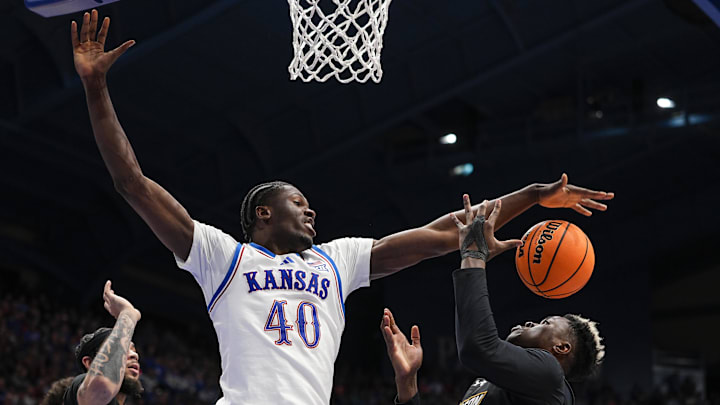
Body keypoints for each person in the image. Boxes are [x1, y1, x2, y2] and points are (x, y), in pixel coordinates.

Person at [70, 10, 613, 404]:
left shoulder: (336, 260)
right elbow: (133, 184)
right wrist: (96, 87)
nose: (311, 213)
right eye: (298, 203)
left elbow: (449, 231)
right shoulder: (222, 257)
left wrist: (533, 197)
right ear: (263, 213)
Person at [381, 196, 605, 404]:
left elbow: (477, 347)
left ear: (561, 347)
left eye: (544, 323)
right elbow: (479, 349)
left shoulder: (550, 375)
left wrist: (474, 256)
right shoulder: (487, 382)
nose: (529, 323)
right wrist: (407, 383)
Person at [63, 281, 143, 405]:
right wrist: (128, 314)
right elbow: (101, 388)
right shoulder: (80, 388)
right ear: (89, 362)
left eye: (134, 349)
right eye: (124, 349)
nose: (134, 355)